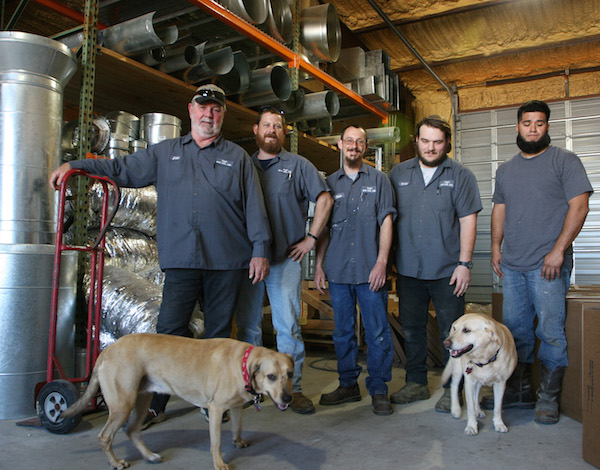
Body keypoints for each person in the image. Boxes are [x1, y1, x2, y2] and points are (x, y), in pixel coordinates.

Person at [49, 84, 271, 426]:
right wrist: (75, 165)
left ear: (222, 115)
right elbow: (123, 169)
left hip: (227, 261)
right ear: (191, 110)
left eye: (216, 109)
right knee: (168, 333)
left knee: (218, 336)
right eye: (204, 108)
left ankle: (213, 399)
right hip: (182, 260)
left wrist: (260, 250)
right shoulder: (165, 153)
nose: (209, 114)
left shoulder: (237, 157)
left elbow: (255, 207)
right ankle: (157, 402)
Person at [482, 100, 592, 424]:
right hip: (513, 264)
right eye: (527, 123)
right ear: (516, 127)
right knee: (515, 332)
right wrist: (495, 246)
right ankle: (518, 393)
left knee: (550, 332)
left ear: (547, 127)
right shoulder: (505, 170)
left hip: (548, 265)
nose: (532, 128)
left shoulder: (564, 161)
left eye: (539, 123)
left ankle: (547, 397)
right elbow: (499, 210)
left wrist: (558, 250)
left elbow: (580, 206)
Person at [233, 106, 333, 414]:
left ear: (284, 132)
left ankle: (294, 388)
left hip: (285, 260)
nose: (272, 130)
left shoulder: (299, 165)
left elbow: (325, 199)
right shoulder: (242, 166)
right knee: (249, 327)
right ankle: (251, 389)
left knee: (288, 327)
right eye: (267, 125)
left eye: (277, 126)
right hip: (248, 260)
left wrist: (311, 239)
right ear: (256, 130)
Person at [388, 115, 482, 412]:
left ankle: (453, 389)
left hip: (447, 271)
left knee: (453, 334)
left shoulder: (462, 176)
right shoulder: (398, 174)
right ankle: (415, 383)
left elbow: (469, 221)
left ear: (447, 144)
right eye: (425, 141)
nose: (430, 147)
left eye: (437, 142)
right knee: (413, 329)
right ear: (416, 141)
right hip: (408, 270)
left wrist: (464, 264)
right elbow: (387, 220)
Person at [315, 125, 397, 416]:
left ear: (365, 146)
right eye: (348, 141)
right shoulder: (328, 183)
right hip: (337, 271)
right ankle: (348, 384)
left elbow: (386, 222)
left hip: (369, 270)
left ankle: (378, 388)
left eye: (359, 142)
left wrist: (381, 262)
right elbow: (323, 229)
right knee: (342, 333)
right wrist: (318, 267)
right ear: (339, 145)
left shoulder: (379, 180)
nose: (353, 146)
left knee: (376, 333)